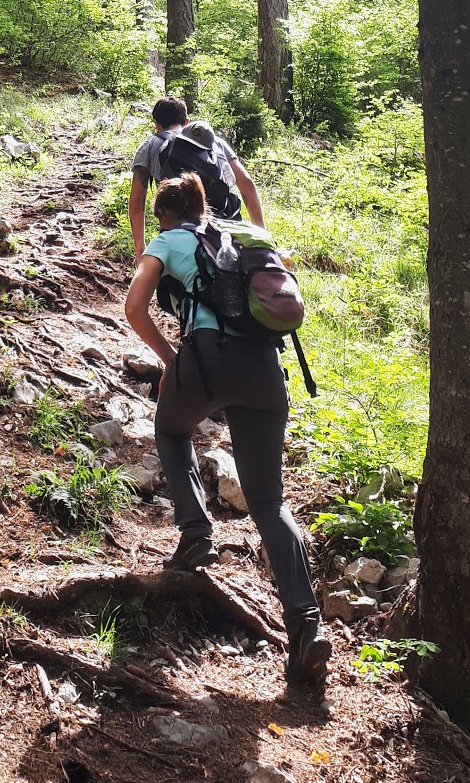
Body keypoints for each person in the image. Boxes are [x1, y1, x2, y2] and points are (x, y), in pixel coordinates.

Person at [123, 170, 330, 687]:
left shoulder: (166, 239)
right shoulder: (250, 235)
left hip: (206, 364)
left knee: (171, 431)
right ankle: (307, 627)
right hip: (264, 370)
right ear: (205, 205)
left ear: (164, 213)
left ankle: (196, 534)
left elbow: (133, 307)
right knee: (269, 504)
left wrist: (170, 358)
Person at [128, 96, 265, 262]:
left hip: (181, 233)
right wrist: (260, 235)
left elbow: (137, 202)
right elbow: (246, 183)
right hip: (227, 228)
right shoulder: (215, 142)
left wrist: (140, 248)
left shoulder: (149, 145)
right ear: (187, 122)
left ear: (156, 124)